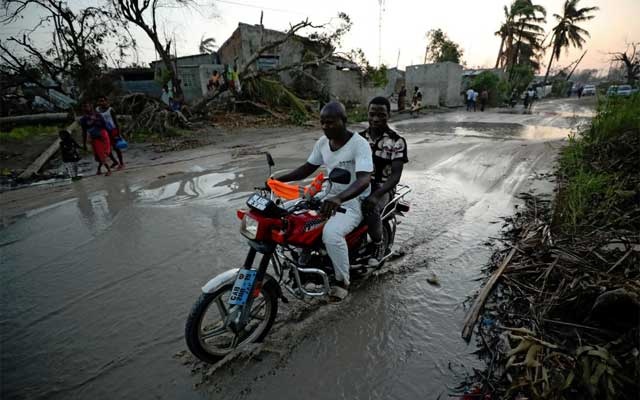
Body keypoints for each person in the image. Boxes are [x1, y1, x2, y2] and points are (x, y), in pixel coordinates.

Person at [274, 101, 373, 300]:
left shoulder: (359, 144)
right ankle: (303, 261)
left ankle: (342, 282)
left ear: (344, 121)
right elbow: (307, 168)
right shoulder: (322, 143)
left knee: (331, 234)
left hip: (352, 200)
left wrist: (339, 198)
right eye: (323, 123)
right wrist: (278, 180)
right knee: (288, 214)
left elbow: (364, 179)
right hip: (329, 195)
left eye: (331, 122)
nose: (326, 127)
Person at [360, 97, 408, 265]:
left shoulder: (397, 141)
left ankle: (378, 244)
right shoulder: (357, 139)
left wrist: (376, 195)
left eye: (381, 115)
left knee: (369, 207)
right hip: (359, 185)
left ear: (389, 115)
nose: (375, 119)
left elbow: (395, 175)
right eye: (372, 114)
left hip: (382, 188)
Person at [80, 102, 112, 176]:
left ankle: (109, 170)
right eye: (84, 107)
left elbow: (104, 125)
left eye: (86, 106)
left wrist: (95, 120)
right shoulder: (83, 119)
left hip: (102, 136)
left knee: (102, 154)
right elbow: (84, 132)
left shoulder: (97, 115)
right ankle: (99, 169)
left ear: (90, 107)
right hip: (94, 138)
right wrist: (84, 144)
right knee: (98, 155)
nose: (85, 108)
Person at [96, 96, 125, 169]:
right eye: (100, 101)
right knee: (106, 149)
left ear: (106, 101)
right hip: (104, 131)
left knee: (116, 147)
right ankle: (114, 161)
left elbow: (116, 122)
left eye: (103, 101)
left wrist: (119, 133)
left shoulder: (110, 110)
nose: (101, 102)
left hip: (112, 130)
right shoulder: (97, 110)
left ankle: (121, 163)